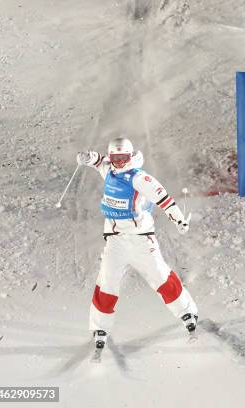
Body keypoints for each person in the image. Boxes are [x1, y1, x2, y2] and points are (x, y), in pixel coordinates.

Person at [76, 137, 198, 349]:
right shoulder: (109, 169)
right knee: (107, 280)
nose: (120, 163)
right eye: (116, 158)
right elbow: (98, 161)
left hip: (141, 239)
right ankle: (100, 326)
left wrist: (178, 219)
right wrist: (88, 157)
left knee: (160, 276)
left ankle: (187, 312)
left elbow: (164, 199)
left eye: (124, 158)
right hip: (116, 241)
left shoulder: (140, 178)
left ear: (130, 157)